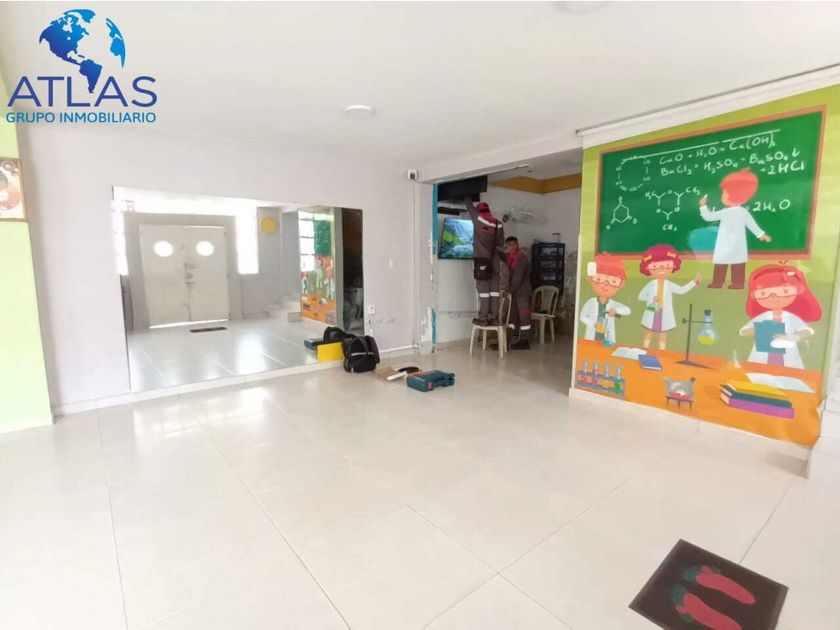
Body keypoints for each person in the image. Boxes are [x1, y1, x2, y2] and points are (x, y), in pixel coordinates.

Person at [739, 263, 821, 369]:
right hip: (762, 355)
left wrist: (794, 337)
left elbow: (807, 331)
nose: (773, 298)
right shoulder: (764, 316)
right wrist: (760, 329)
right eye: (763, 294)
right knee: (759, 374)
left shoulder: (790, 317)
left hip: (787, 356)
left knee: (788, 374)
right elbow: (744, 332)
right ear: (754, 295)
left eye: (785, 292)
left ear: (798, 290)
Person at [699, 168, 771, 289]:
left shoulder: (742, 212)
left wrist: (760, 234)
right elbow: (708, 217)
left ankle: (737, 283)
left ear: (735, 195)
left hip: (737, 243)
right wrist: (703, 206)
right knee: (721, 263)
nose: (722, 196)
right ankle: (718, 282)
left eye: (724, 193)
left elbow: (751, 224)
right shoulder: (724, 212)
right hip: (724, 244)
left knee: (737, 263)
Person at [637, 245, 701, 350]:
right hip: (652, 310)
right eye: (655, 266)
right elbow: (641, 296)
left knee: (663, 333)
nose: (662, 269)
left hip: (664, 312)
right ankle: (645, 349)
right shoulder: (651, 284)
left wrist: (693, 283)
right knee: (648, 331)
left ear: (673, 266)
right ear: (648, 268)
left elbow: (681, 290)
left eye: (667, 265)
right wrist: (652, 299)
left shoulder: (669, 284)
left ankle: (662, 352)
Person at [465, 197, 505, 325]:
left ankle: (483, 318)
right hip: (495, 261)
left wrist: (465, 194)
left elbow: (469, 206)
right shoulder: (498, 224)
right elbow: (501, 244)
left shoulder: (478, 218)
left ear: (479, 211)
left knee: (484, 291)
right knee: (494, 291)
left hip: (482, 261)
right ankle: (494, 318)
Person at [579, 254, 631, 345]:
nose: (606, 285)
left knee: (606, 349)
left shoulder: (613, 304)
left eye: (613, 281)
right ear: (591, 279)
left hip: (607, 338)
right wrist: (593, 324)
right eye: (599, 279)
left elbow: (627, 310)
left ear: (621, 284)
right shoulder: (591, 302)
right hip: (592, 336)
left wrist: (616, 310)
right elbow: (583, 317)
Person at [504, 236, 532, 350]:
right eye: (509, 245)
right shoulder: (509, 258)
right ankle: (507, 339)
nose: (512, 247)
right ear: (506, 246)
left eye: (514, 244)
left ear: (517, 245)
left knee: (524, 316)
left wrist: (509, 290)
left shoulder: (521, 259)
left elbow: (517, 278)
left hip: (522, 293)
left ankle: (524, 340)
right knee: (512, 316)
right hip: (515, 293)